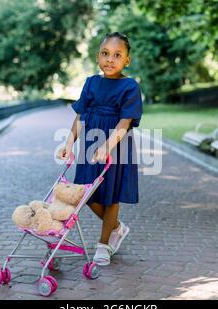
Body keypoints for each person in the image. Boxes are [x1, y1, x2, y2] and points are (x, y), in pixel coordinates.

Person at [57, 32, 143, 266]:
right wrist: (68, 142)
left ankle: (103, 244)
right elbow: (80, 116)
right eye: (105, 54)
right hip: (89, 145)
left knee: (111, 195)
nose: (110, 59)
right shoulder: (91, 83)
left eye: (117, 55)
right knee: (84, 194)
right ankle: (115, 227)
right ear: (97, 57)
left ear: (127, 60)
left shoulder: (129, 86)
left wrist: (107, 146)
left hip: (116, 145)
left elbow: (125, 122)